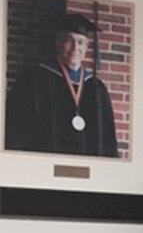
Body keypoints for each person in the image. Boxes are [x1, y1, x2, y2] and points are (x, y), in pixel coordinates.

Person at [5, 13, 118, 157]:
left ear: (87, 47)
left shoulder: (97, 88)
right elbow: (15, 130)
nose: (75, 48)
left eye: (80, 42)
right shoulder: (33, 80)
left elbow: (108, 139)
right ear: (57, 43)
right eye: (68, 40)